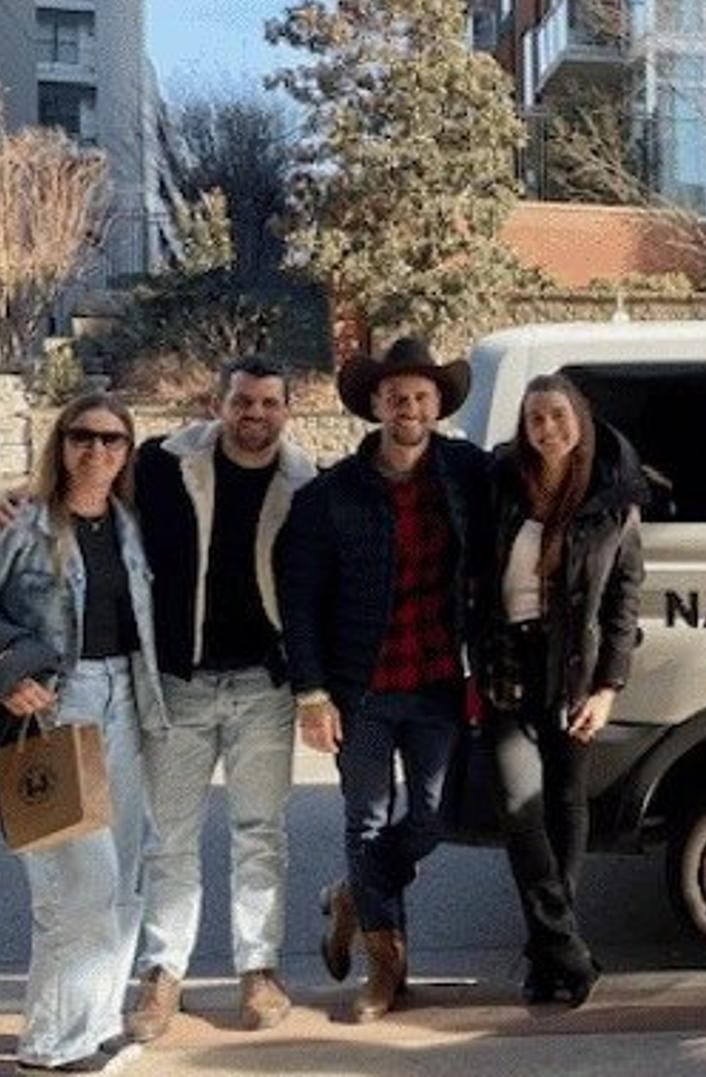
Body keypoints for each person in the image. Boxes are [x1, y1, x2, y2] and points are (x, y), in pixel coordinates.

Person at [0, 359, 316, 1040]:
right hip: (178, 686)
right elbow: (88, 483)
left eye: (269, 403)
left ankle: (259, 967)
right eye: (242, 401)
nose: (255, 414)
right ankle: (162, 973)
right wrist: (15, 495)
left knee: (260, 831)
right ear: (217, 403)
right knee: (170, 839)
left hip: (264, 687)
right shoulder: (168, 461)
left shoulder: (306, 481)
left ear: (287, 410)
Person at [0, 394, 166, 1074]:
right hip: (48, 712)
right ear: (60, 443)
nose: (97, 451)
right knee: (75, 885)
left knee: (123, 878)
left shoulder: (130, 523)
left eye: (113, 440)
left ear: (127, 451)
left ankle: (95, 1024)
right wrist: (0, 675)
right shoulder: (22, 525)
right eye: (82, 437)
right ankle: (49, 1044)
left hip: (127, 703)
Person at [277, 336, 491, 1023]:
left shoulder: (465, 472)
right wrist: (310, 693)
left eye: (421, 395)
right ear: (375, 403)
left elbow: (555, 469)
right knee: (366, 819)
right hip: (359, 691)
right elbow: (300, 599)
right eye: (396, 395)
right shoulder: (329, 493)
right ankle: (385, 965)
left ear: (438, 405)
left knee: (431, 818)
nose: (409, 406)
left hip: (436, 684)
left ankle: (351, 893)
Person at [477, 374, 645, 1006]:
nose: (547, 428)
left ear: (580, 419)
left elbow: (625, 604)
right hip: (503, 663)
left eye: (557, 415)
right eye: (535, 419)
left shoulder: (613, 502)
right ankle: (568, 949)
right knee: (520, 810)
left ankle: (551, 954)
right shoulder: (496, 485)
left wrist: (609, 688)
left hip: (574, 665)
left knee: (567, 803)